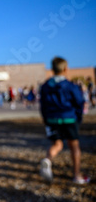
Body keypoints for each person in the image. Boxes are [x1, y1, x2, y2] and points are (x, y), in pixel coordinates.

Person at [39, 56, 90, 184]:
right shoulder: (70, 86)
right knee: (74, 147)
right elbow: (79, 102)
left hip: (52, 119)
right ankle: (76, 175)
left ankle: (48, 160)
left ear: (52, 69)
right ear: (66, 69)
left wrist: (46, 119)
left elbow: (43, 105)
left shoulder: (46, 86)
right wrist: (78, 117)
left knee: (57, 144)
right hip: (69, 119)